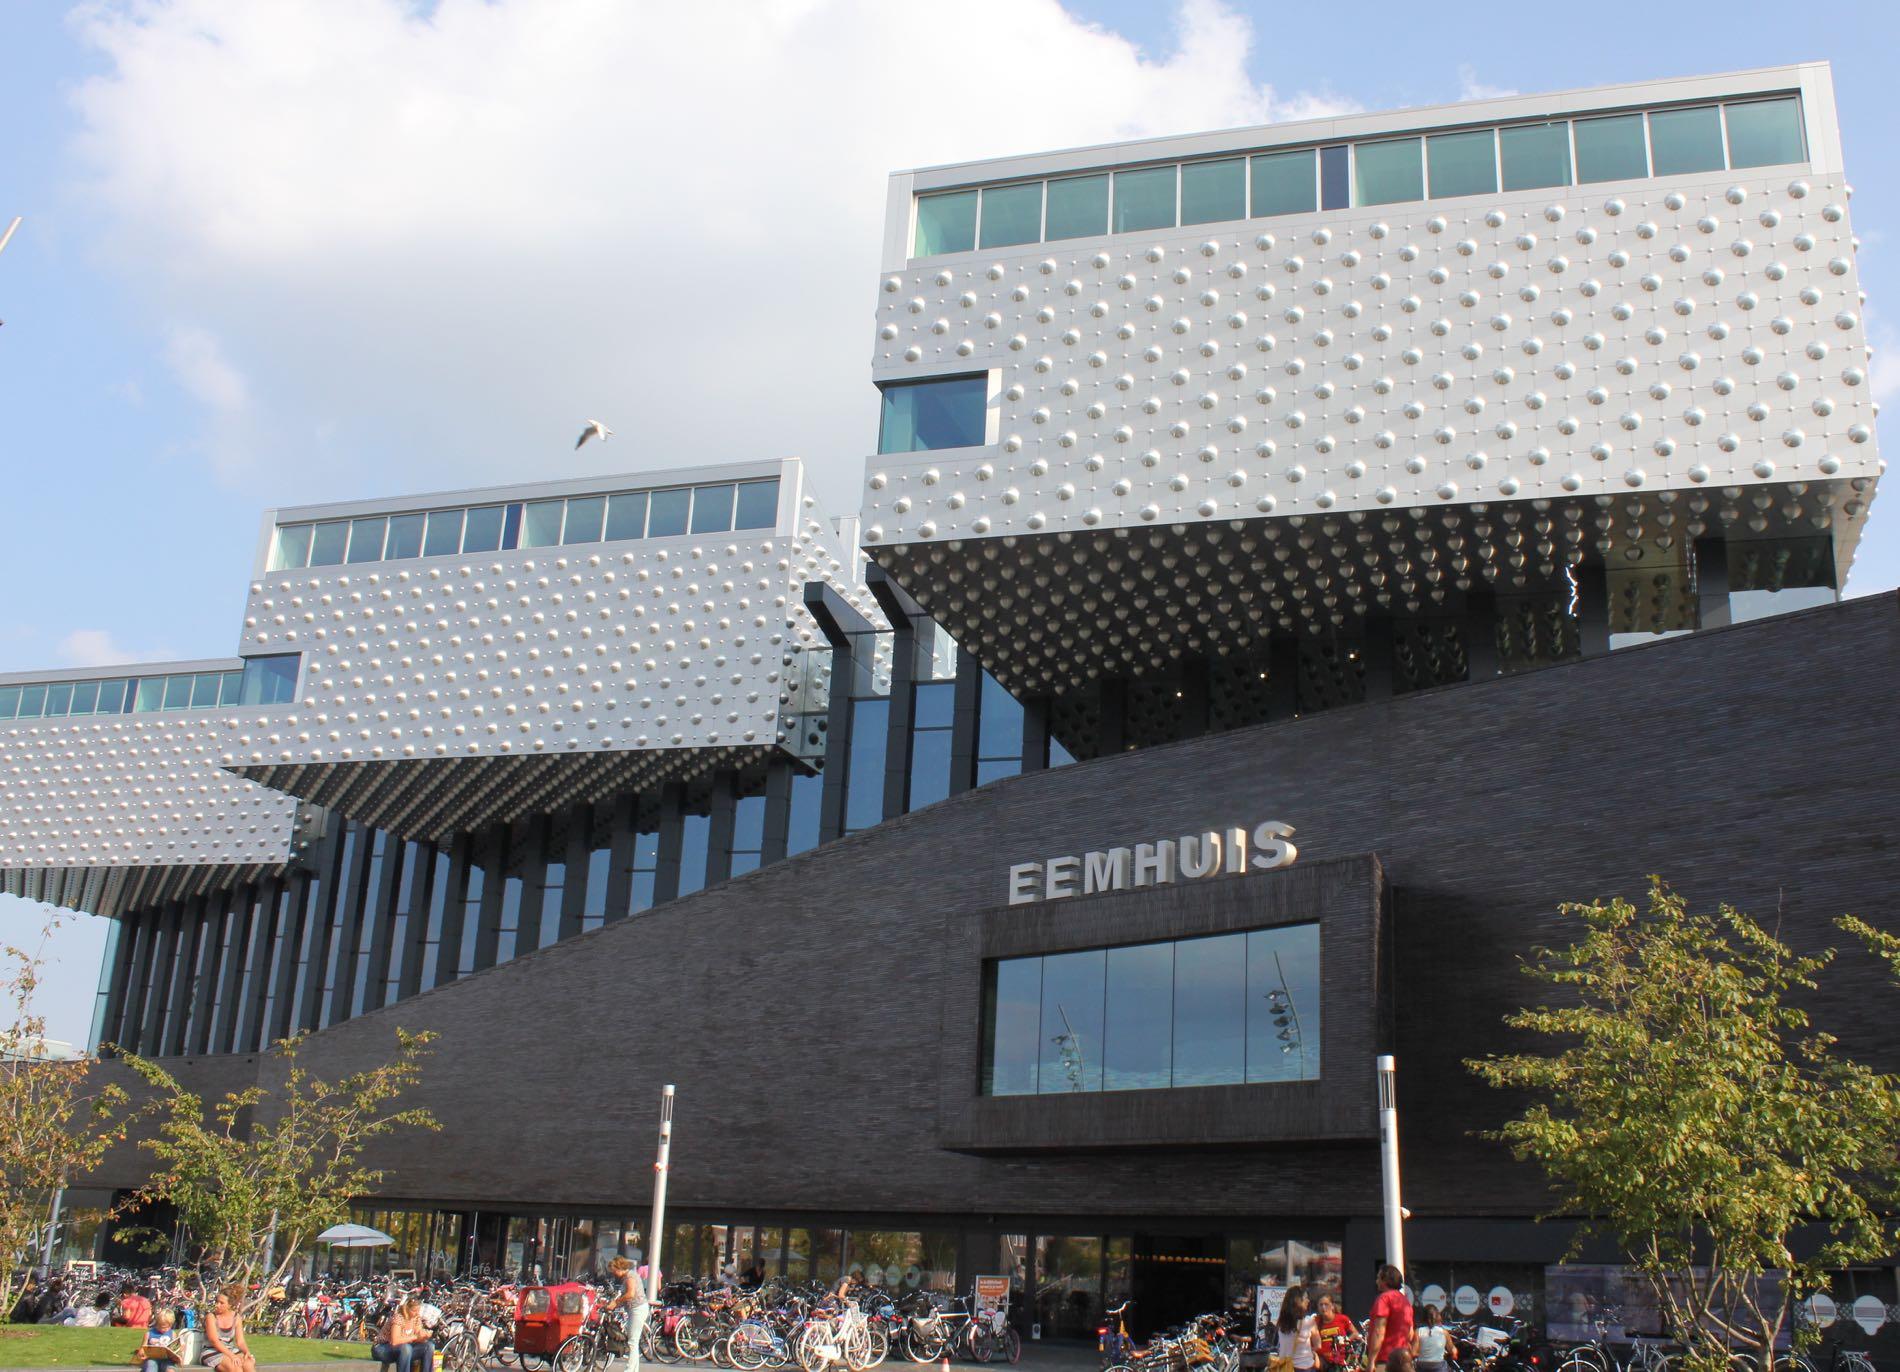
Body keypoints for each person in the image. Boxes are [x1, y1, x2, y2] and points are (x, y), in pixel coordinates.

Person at [1364, 1267, 1413, 1372]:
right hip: (1403, 1360)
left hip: (1385, 1361)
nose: (1376, 1281)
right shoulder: (1405, 1301)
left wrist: (1371, 1360)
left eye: (1378, 1278)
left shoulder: (1384, 1299)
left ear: (1385, 1280)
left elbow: (1379, 1332)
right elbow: (1410, 1333)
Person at [372, 1294, 435, 1372]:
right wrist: (415, 1337)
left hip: (403, 1350)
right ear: (407, 1309)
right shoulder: (399, 1318)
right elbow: (395, 1341)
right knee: (406, 1348)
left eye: (418, 1311)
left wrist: (424, 1336)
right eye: (414, 1311)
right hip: (383, 1348)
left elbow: (418, 1334)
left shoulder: (416, 1318)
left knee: (429, 1346)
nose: (417, 1313)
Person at [202, 1286, 256, 1372]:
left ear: (230, 1305)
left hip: (230, 1349)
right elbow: (214, 1341)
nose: (217, 1305)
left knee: (248, 1364)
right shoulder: (211, 1317)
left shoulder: (236, 1317)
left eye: (221, 1303)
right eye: (217, 1302)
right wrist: (231, 1356)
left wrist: (246, 1352)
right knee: (236, 1368)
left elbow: (240, 1341)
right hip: (212, 1350)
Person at [605, 1257, 650, 1357]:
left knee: (632, 1341)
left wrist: (616, 1302)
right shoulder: (627, 1276)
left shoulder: (630, 1276)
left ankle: (630, 1369)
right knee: (633, 1341)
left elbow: (630, 1294)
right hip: (634, 1309)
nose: (614, 1274)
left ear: (619, 1268)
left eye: (614, 1271)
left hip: (637, 1309)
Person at [1276, 1286, 1318, 1372]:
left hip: (1285, 1367)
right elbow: (1318, 1344)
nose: (1308, 1301)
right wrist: (1313, 1354)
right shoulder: (1308, 1322)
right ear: (1298, 1301)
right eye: (1306, 1298)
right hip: (1304, 1367)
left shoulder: (1281, 1322)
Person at [1314, 1293, 1357, 1369]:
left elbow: (1355, 1333)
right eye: (1321, 1305)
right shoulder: (1315, 1321)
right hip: (1323, 1361)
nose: (1323, 1307)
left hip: (1341, 1359)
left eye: (1326, 1304)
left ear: (1332, 1306)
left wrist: (1345, 1341)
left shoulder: (1342, 1319)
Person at [137, 1307, 183, 1372]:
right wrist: (142, 1354)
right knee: (151, 1368)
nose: (162, 1329)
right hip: (151, 1360)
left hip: (167, 1361)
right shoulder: (149, 1334)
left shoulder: (172, 1334)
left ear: (171, 1325)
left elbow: (176, 1350)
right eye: (159, 1326)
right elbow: (142, 1350)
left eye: (165, 1327)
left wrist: (178, 1356)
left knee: (170, 1370)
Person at [1410, 1305, 1454, 1372]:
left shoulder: (1418, 1331)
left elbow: (1413, 1353)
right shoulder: (1444, 1332)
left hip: (1422, 1367)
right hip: (1439, 1367)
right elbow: (1452, 1351)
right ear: (1437, 1316)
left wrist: (1425, 1354)